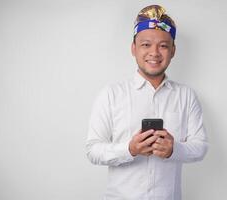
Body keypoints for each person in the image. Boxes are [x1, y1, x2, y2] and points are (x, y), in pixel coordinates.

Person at [86, 5, 208, 200]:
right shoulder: (111, 94)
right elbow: (93, 150)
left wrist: (174, 149)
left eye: (163, 45)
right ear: (133, 48)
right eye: (146, 44)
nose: (155, 52)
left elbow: (200, 147)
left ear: (173, 51)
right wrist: (129, 149)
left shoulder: (186, 96)